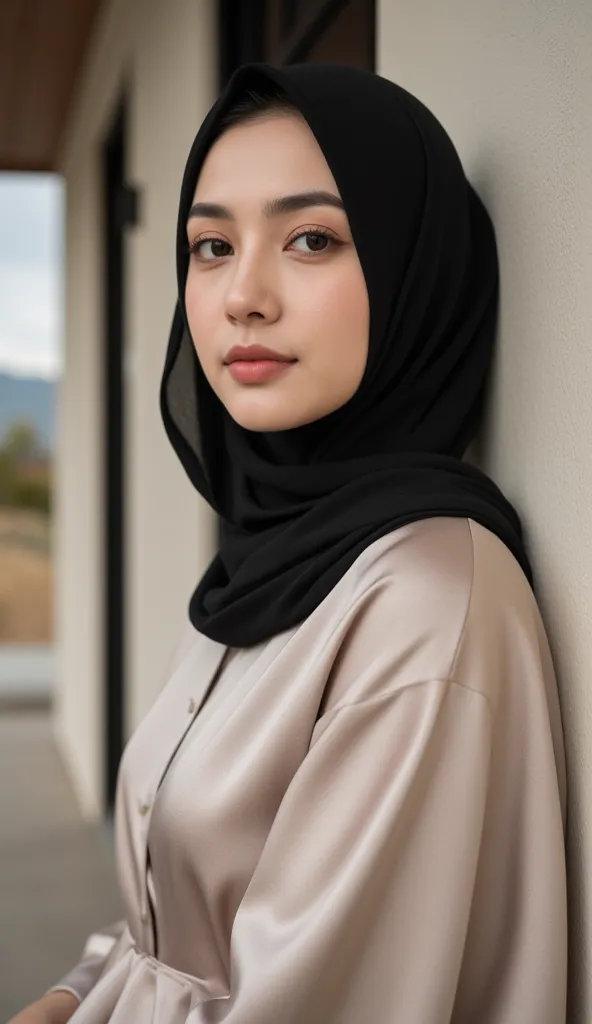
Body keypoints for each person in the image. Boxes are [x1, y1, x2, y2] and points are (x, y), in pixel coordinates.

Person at [12, 62, 567, 1024]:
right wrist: (69, 998)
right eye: (211, 245)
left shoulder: (427, 601)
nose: (243, 296)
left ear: (411, 273)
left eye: (312, 238)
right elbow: (173, 933)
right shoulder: (281, 552)